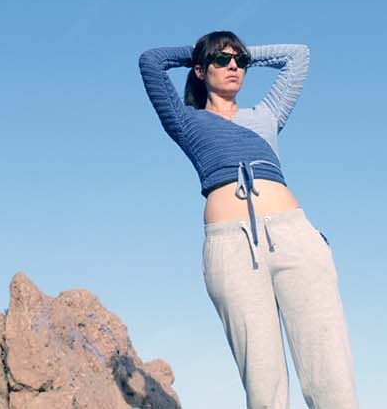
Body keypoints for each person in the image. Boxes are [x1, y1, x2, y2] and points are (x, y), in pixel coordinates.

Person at [137, 31, 359, 409]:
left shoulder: (266, 114)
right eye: (221, 61)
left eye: (239, 61)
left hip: (294, 238)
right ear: (200, 71)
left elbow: (298, 56)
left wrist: (239, 51)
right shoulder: (185, 121)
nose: (233, 66)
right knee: (263, 383)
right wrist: (204, 50)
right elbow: (151, 62)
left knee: (331, 373)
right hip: (231, 248)